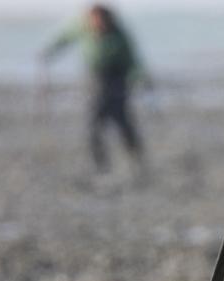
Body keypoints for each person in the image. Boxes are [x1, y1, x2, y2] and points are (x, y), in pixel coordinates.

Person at [41, 4, 147, 173]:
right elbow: (65, 39)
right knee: (92, 126)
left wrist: (140, 78)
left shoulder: (119, 35)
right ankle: (101, 164)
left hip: (116, 82)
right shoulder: (83, 29)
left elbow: (133, 59)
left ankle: (137, 158)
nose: (98, 24)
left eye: (101, 20)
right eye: (95, 20)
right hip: (94, 83)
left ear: (108, 19)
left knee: (123, 123)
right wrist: (48, 52)